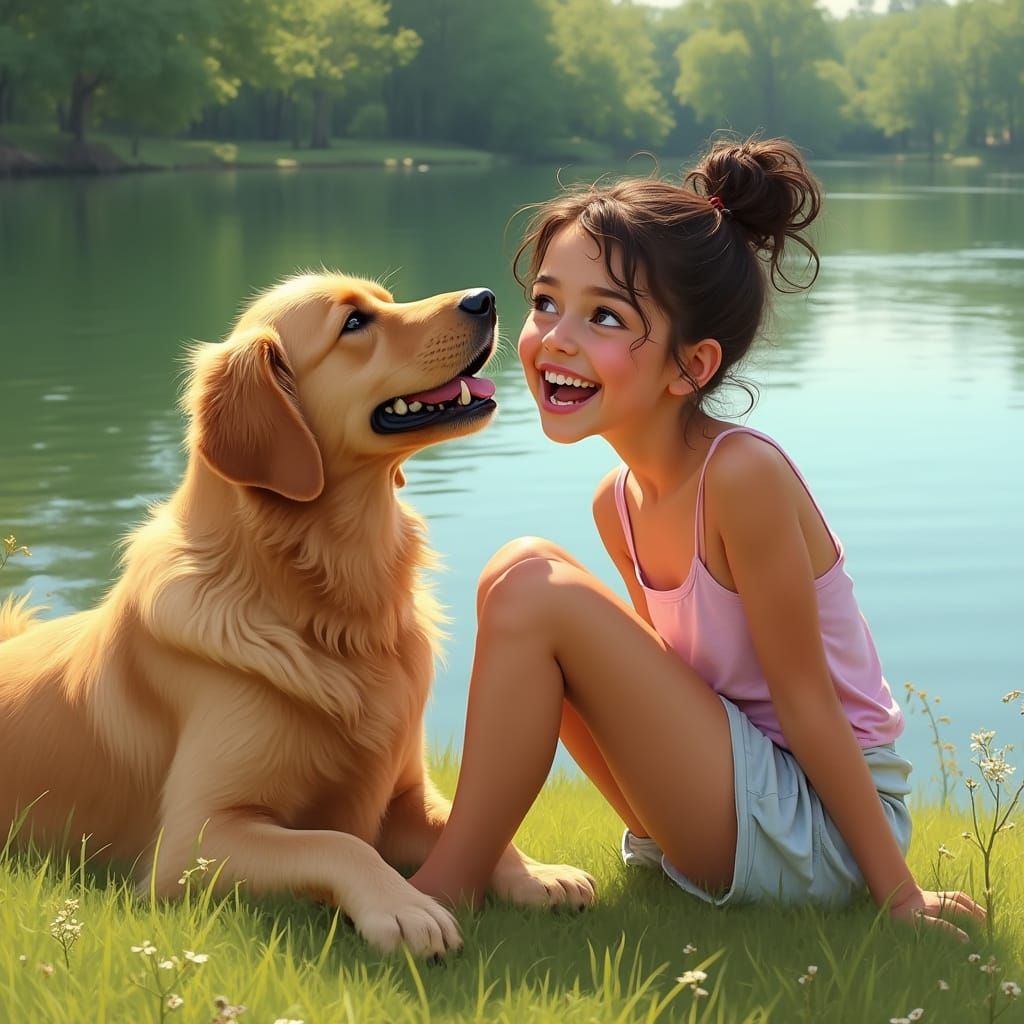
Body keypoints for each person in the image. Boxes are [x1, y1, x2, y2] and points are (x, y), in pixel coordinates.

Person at [409, 136, 983, 938]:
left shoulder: (741, 478)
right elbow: (662, 683)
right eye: (547, 303)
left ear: (692, 366)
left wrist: (899, 894)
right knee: (518, 574)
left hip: (820, 830)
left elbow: (808, 701)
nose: (557, 338)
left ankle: (446, 888)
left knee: (531, 586)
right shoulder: (620, 502)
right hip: (740, 804)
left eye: (605, 316)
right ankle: (476, 865)